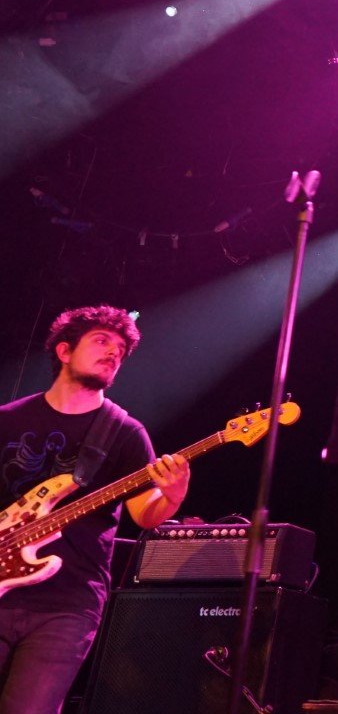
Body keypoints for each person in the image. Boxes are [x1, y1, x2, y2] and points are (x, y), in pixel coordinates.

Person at [0, 305, 190, 714]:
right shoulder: (9, 420)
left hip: (68, 602)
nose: (113, 352)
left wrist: (172, 496)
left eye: (120, 349)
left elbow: (144, 515)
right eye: (102, 341)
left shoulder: (125, 432)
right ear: (64, 351)